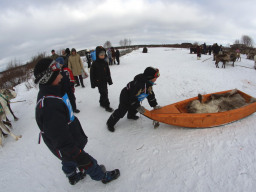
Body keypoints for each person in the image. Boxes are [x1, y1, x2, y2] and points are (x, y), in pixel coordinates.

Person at [34, 58, 120, 185]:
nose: (61, 76)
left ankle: (72, 176)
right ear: (49, 78)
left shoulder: (51, 92)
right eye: (57, 74)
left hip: (65, 140)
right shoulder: (50, 105)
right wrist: (77, 154)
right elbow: (62, 140)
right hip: (67, 143)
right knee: (85, 160)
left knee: (67, 159)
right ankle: (102, 176)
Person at [106, 67, 161, 132]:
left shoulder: (148, 83)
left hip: (135, 97)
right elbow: (132, 98)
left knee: (134, 107)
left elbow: (150, 95)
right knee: (122, 111)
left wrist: (154, 105)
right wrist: (138, 106)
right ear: (150, 77)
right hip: (126, 96)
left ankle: (131, 115)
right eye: (156, 77)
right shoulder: (139, 85)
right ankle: (110, 123)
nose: (157, 78)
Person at [90, 46, 114, 112]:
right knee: (104, 93)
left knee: (103, 92)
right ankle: (107, 105)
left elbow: (108, 73)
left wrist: (109, 80)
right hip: (99, 81)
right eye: (101, 55)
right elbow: (92, 75)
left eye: (103, 55)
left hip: (105, 80)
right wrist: (93, 83)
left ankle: (101, 102)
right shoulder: (94, 64)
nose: (103, 56)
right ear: (97, 55)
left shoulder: (105, 63)